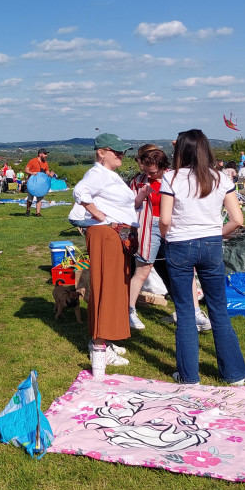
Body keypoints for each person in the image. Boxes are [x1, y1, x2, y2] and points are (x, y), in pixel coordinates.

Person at [159, 129, 245, 386]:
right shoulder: (221, 177)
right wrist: (215, 233)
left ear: (181, 150)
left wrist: (167, 236)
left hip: (179, 245)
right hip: (211, 245)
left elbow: (165, 219)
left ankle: (189, 376)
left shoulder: (171, 178)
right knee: (219, 310)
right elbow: (237, 220)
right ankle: (235, 374)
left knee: (185, 312)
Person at [73, 134, 137, 369]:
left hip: (114, 234)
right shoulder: (97, 174)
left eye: (123, 151)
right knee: (106, 289)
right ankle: (99, 344)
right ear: (101, 152)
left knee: (114, 288)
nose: (121, 155)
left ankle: (105, 338)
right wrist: (96, 212)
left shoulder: (109, 174)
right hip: (106, 234)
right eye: (116, 151)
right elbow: (80, 192)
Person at [126, 145, 169, 331]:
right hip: (148, 226)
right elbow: (130, 206)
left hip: (171, 226)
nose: (149, 175)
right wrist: (142, 195)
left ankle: (187, 310)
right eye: (146, 171)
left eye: (152, 172)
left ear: (163, 167)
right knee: (143, 270)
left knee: (179, 270)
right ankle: (129, 310)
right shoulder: (138, 181)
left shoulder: (173, 178)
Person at [24, 148, 52, 217]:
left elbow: (47, 172)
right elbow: (26, 170)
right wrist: (32, 173)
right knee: (30, 198)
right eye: (45, 154)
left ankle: (38, 213)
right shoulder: (32, 161)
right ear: (40, 154)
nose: (46, 155)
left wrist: (50, 174)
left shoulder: (45, 163)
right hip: (32, 183)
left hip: (41, 183)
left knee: (40, 198)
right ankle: (28, 210)